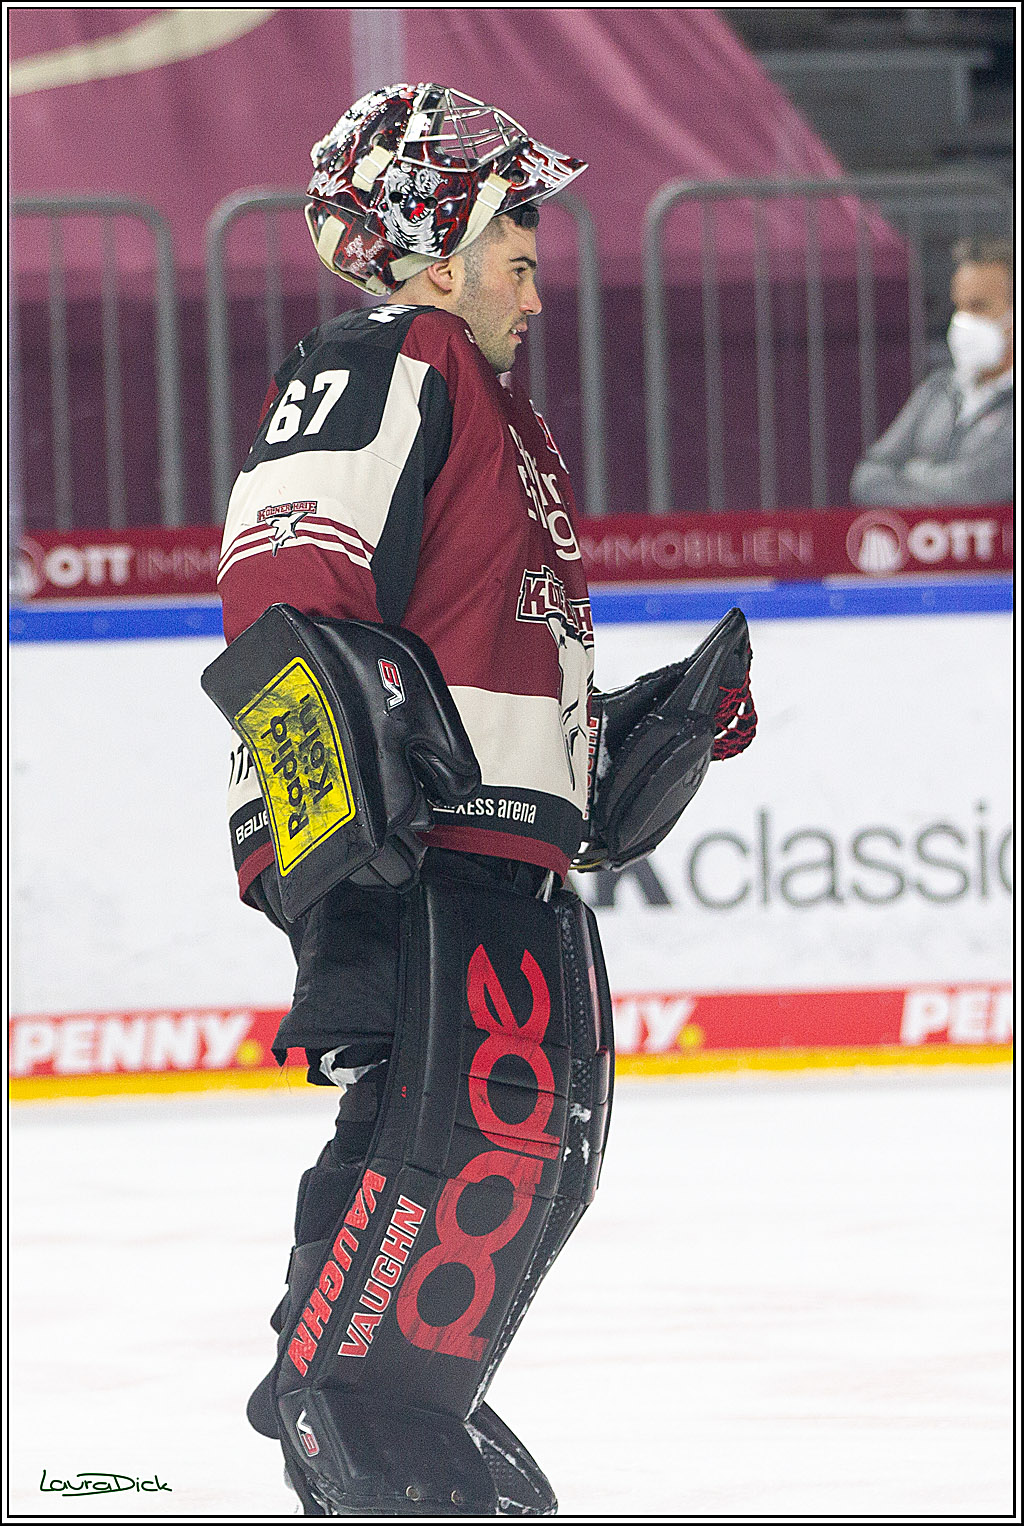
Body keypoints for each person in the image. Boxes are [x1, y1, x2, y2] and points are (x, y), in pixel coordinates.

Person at [204, 83, 755, 1516]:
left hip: (473, 843)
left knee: (522, 1138)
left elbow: (465, 648)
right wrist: (346, 821)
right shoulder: (389, 353)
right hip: (397, 847)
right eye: (517, 239)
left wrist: (605, 752)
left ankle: (369, 1378)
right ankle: (348, 1397)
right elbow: (283, 581)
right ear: (435, 247)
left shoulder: (483, 395)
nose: (536, 276)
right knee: (445, 1126)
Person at [850, 236, 1013, 507]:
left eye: (978, 306)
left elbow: (978, 488)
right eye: (958, 307)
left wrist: (912, 473)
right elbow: (868, 476)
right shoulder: (938, 388)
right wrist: (930, 486)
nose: (962, 321)